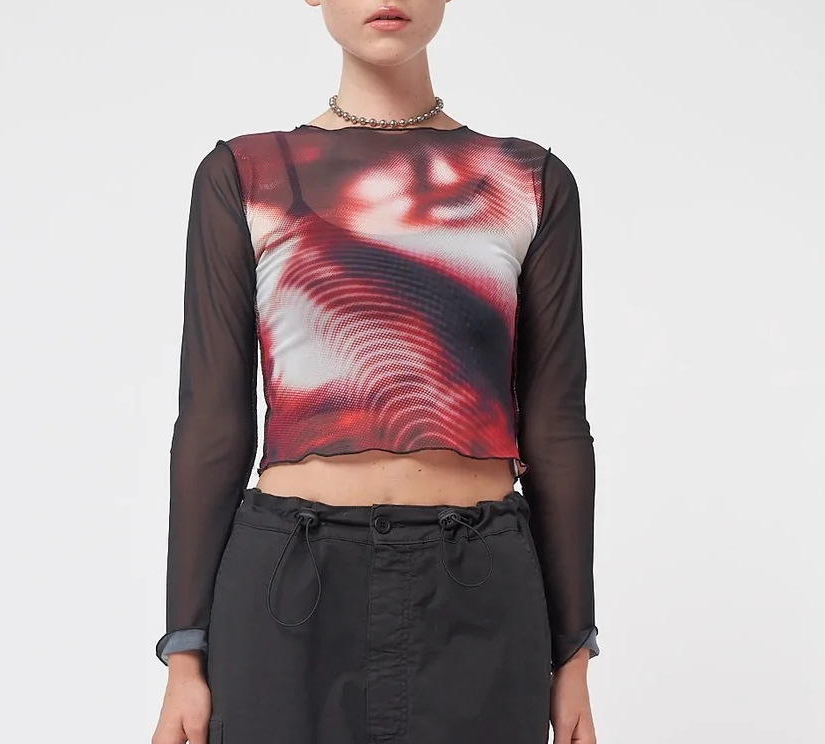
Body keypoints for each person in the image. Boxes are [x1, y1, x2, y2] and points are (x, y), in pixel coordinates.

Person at [151, 1, 599, 743]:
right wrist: (184, 653)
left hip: (481, 591)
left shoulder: (527, 178)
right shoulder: (245, 174)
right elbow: (212, 423)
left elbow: (555, 425)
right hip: (287, 594)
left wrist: (573, 650)